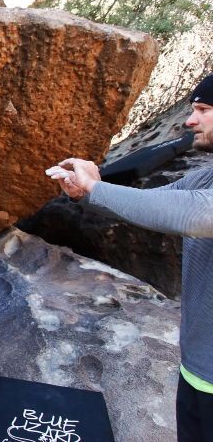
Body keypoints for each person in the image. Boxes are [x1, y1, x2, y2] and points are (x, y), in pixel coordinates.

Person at [45, 74, 213, 442]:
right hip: (197, 371)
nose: (189, 120)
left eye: (203, 110)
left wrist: (95, 186)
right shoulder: (205, 178)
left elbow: (196, 216)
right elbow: (154, 206)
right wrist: (86, 192)